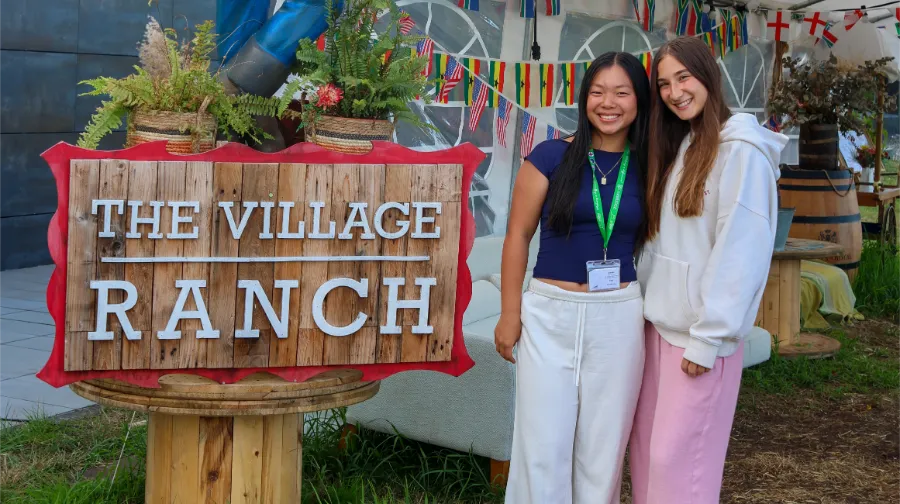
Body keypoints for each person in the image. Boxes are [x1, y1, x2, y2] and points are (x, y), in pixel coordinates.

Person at [629, 37, 788, 504]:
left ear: (709, 76)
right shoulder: (685, 144)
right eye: (663, 84)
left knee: (679, 468)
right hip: (658, 328)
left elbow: (741, 253)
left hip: (699, 340)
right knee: (646, 458)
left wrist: (709, 337)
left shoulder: (741, 151)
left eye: (684, 77)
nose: (675, 92)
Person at [494, 51, 650, 504]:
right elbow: (517, 236)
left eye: (622, 92)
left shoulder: (650, 166)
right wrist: (510, 313)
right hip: (549, 314)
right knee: (542, 443)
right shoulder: (550, 156)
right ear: (584, 99)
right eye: (598, 91)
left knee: (603, 448)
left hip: (618, 317)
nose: (609, 102)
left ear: (638, 100)